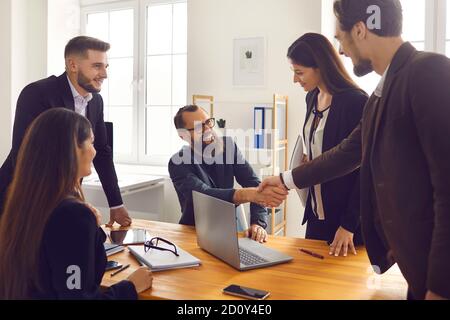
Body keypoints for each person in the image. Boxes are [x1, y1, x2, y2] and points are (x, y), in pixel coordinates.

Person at [259, 0, 450, 300]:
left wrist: (439, 288)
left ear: (360, 30)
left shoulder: (428, 70)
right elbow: (346, 154)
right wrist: (285, 179)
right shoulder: (379, 95)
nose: (342, 50)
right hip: (417, 272)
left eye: (340, 38)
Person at [0, 109, 152, 299]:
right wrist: (129, 287)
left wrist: (92, 229)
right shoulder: (72, 215)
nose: (95, 151)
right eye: (91, 142)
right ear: (72, 149)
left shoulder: (20, 202)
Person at [0, 36, 131, 227]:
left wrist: (116, 203)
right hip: (20, 198)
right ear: (73, 65)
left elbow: (102, 151)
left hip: (61, 201)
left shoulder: (96, 101)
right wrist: (72, 202)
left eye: (106, 67)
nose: (104, 74)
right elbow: (24, 155)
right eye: (97, 66)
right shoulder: (37, 93)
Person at [286, 33, 368, 256]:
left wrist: (349, 224)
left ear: (320, 67)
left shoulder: (356, 101)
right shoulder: (311, 97)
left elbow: (366, 171)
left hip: (346, 224)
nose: (295, 80)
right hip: (315, 215)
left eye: (299, 72)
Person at [169, 105, 288, 243]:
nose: (208, 130)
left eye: (208, 122)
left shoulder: (228, 146)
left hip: (230, 230)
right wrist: (248, 194)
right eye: (198, 127)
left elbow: (255, 184)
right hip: (194, 234)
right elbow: (204, 195)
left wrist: (258, 224)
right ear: (183, 135)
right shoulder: (177, 162)